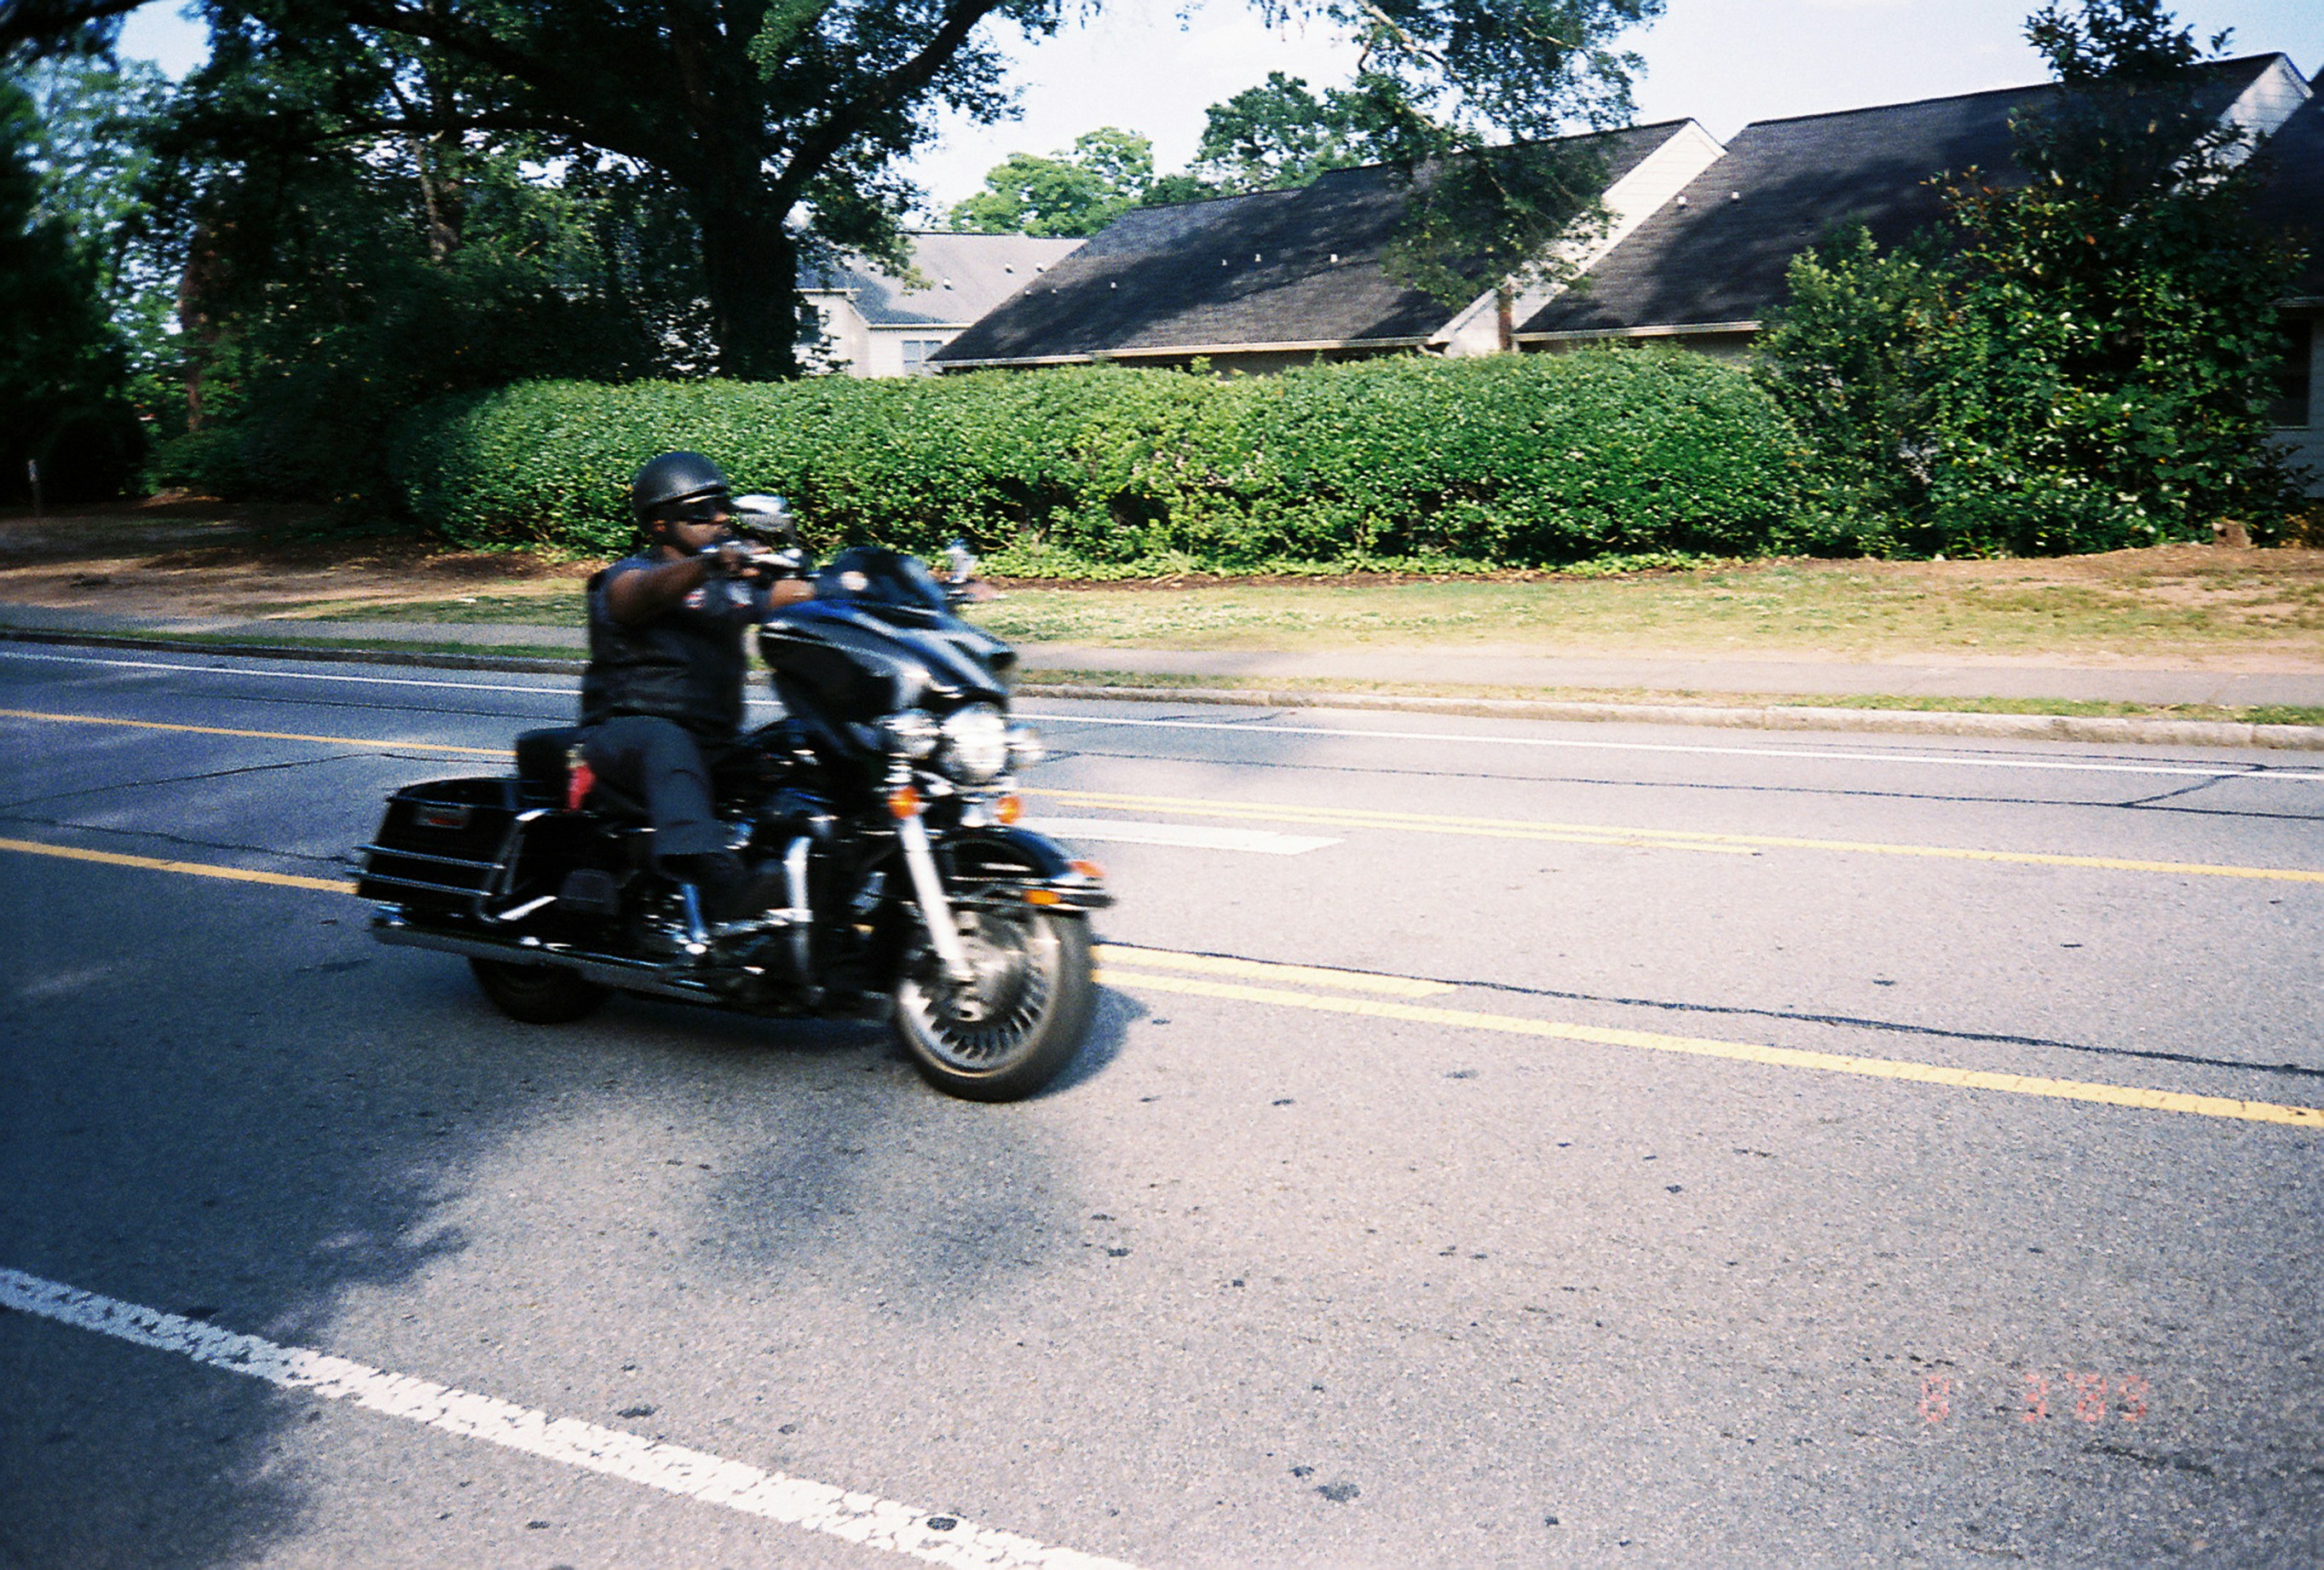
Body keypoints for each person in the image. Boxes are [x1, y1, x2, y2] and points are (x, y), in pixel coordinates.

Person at [579, 450, 812, 919]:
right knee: (667, 742)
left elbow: (802, 593)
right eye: (702, 511)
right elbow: (637, 597)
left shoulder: (732, 585)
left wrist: (884, 587)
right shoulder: (626, 578)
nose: (720, 518)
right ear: (659, 524)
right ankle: (718, 884)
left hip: (714, 739)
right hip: (624, 733)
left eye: (722, 506)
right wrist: (709, 564)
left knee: (799, 743)